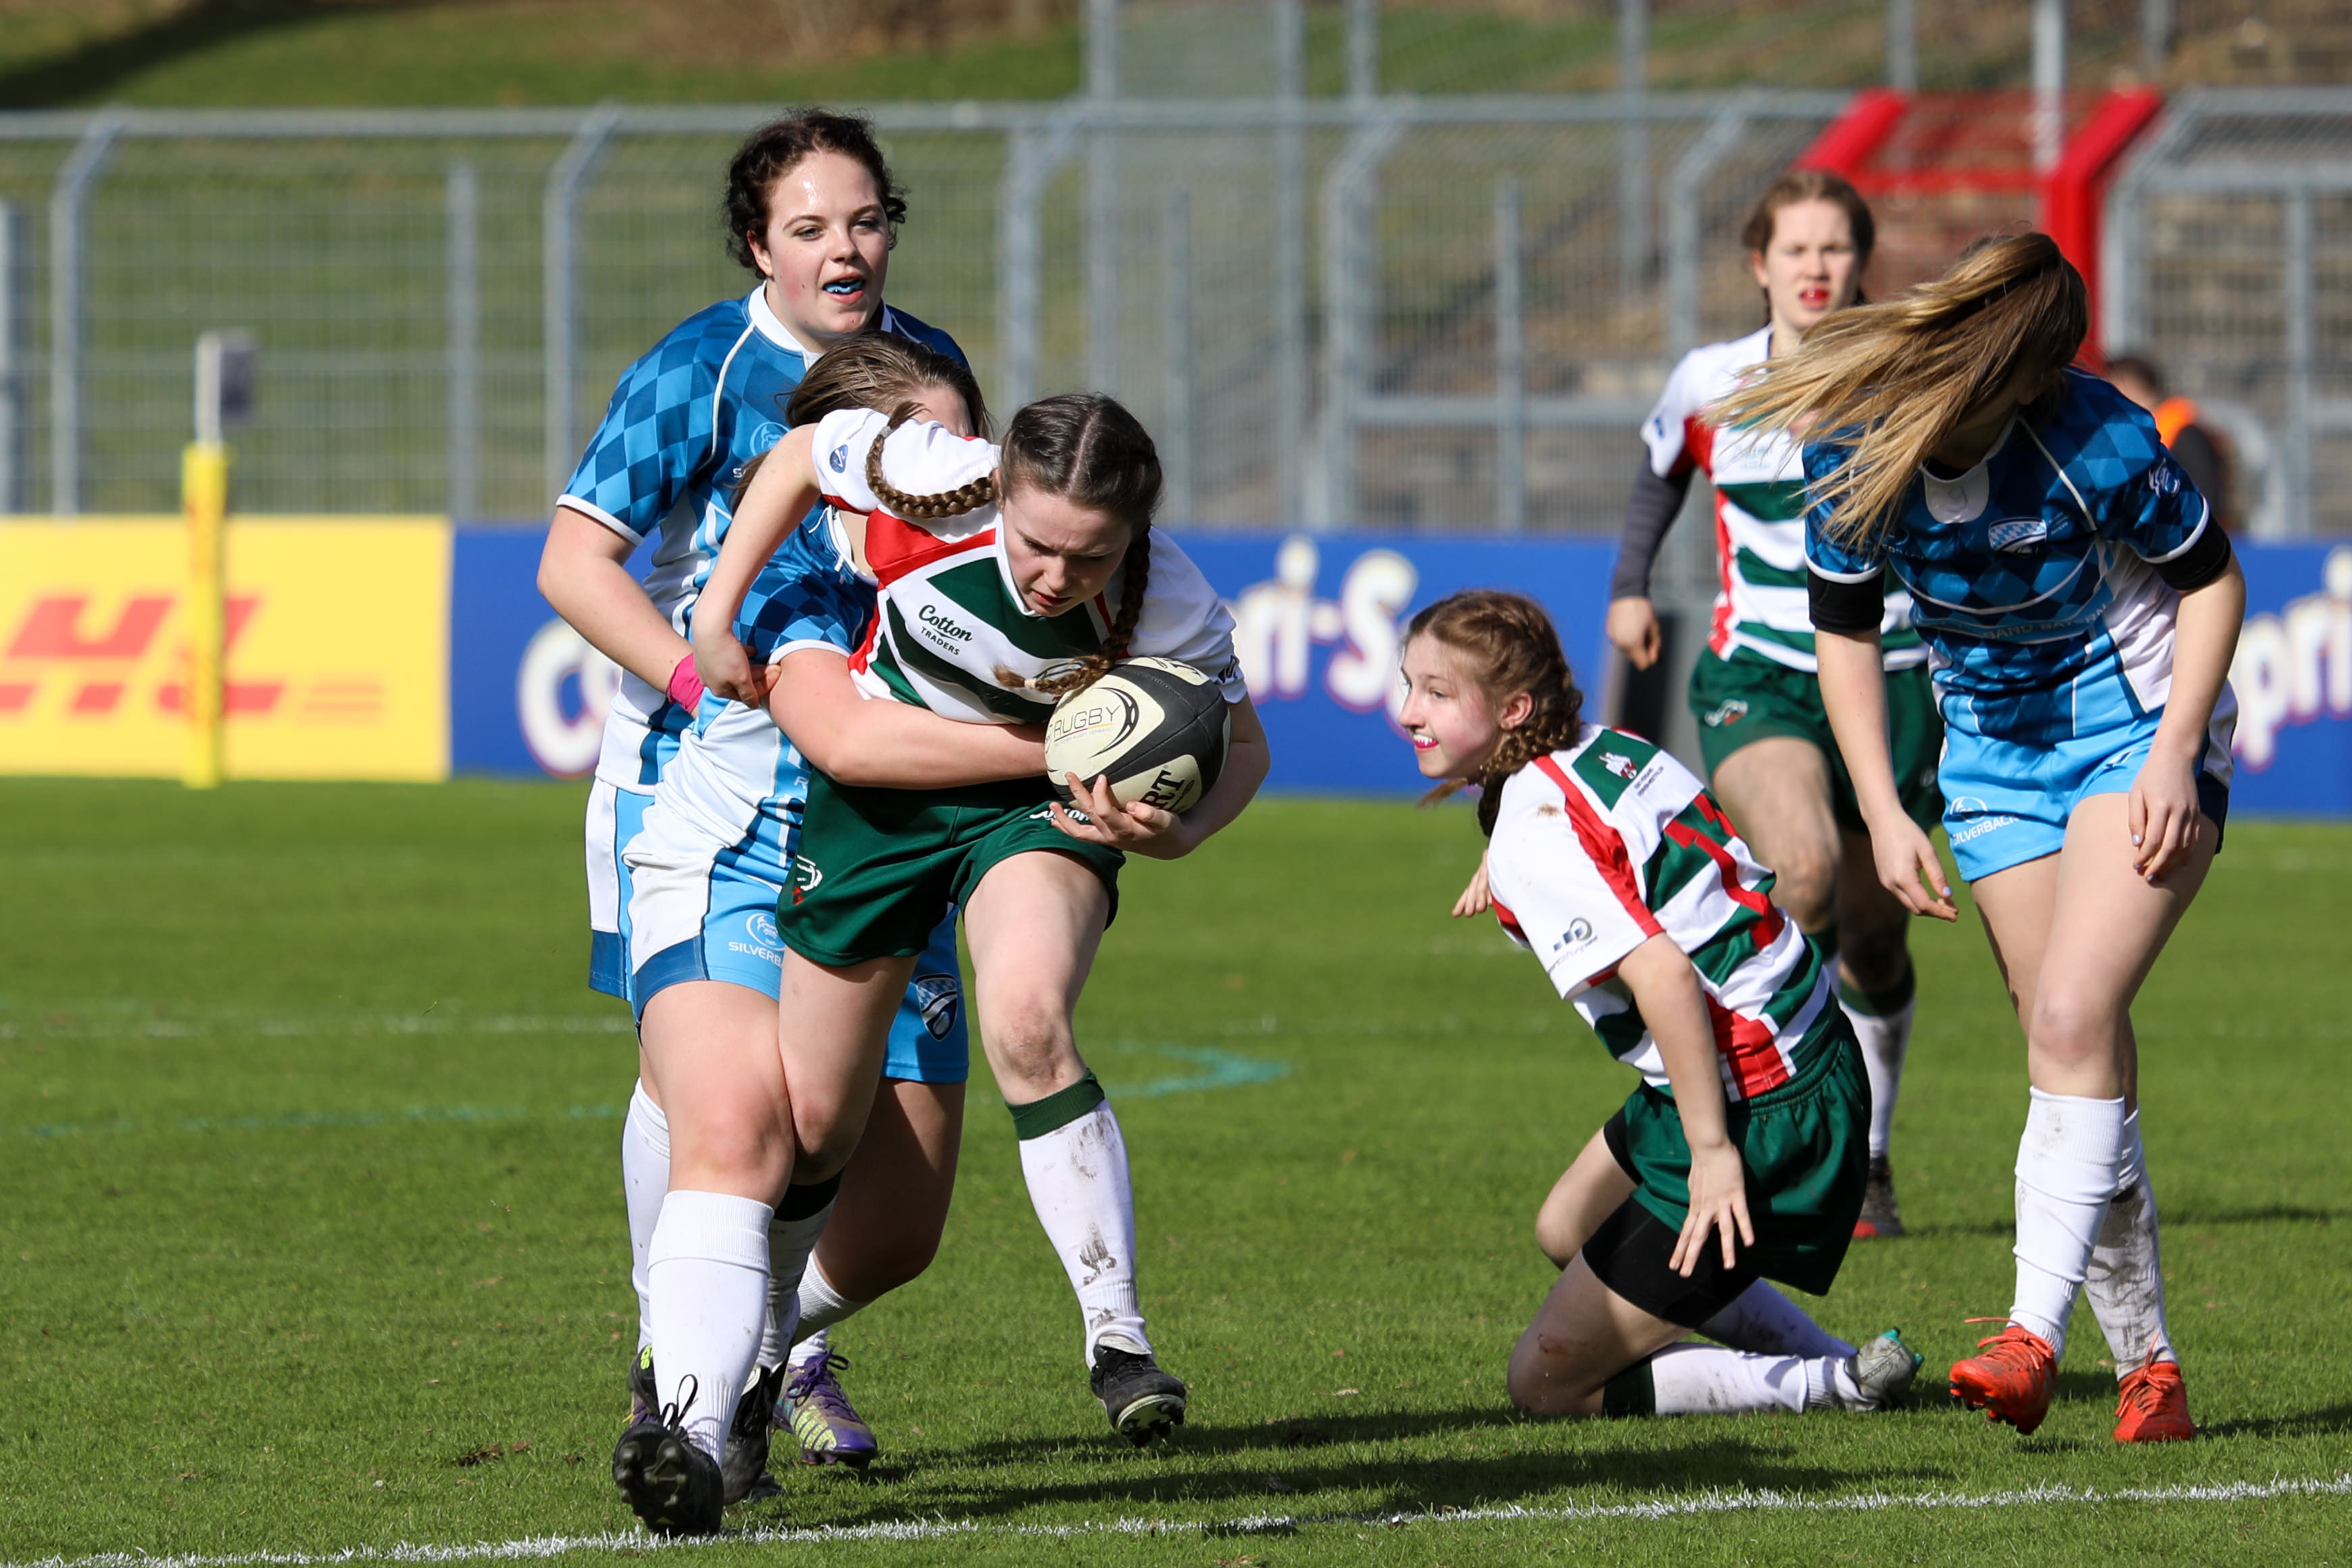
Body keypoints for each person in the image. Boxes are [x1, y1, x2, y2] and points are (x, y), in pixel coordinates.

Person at [1722, 232, 2241, 1444]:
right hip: (1994, 756)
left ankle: (2029, 1337)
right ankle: (2151, 1370)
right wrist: (1884, 806)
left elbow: (2213, 583)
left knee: (2069, 1018)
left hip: (2132, 729)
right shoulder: (1855, 442)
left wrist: (2176, 752)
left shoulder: (2095, 437)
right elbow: (1846, 629)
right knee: (2077, 1048)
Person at [532, 108, 981, 1503]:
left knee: (891, 1207)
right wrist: (692, 667)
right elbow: (573, 562)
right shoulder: (699, 372)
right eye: (809, 227)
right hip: (700, 782)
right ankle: (687, 1367)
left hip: (884, 795)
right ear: (756, 246)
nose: (844, 249)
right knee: (716, 1096)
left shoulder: (930, 370)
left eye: (865, 220)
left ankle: (746, 1335)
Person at [691, 391, 1268, 1459]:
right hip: (885, 801)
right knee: (817, 1129)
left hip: (1036, 808)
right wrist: (715, 611)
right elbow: (800, 454)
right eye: (1038, 543)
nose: (1055, 577)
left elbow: (1248, 749)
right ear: (1000, 487)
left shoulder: (1170, 601)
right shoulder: (929, 477)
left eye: (1091, 558)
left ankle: (1118, 1341)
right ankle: (755, 1357)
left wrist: (1177, 837)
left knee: (1028, 1020)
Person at [608, 339, 1019, 1529]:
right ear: (854, 460)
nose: (946, 468)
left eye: (962, 441)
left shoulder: (1006, 569)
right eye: (917, 445)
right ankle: (686, 1428)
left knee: (891, 1230)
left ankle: (742, 1345)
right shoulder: (788, 556)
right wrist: (1065, 748)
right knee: (743, 1126)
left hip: (895, 887)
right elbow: (847, 741)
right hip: (736, 868)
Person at [1399, 589, 1921, 1422]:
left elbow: (1667, 976)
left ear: (1515, 709)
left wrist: (1713, 1151)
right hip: (1801, 1041)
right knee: (1567, 1225)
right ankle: (1830, 1357)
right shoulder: (1603, 746)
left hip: (1759, 1101)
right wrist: (1503, 850)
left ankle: (1832, 1386)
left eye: (1435, 691)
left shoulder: (1534, 830)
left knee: (1545, 1385)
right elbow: (1615, 843)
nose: (1408, 711)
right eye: (1409, 685)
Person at [1606, 170, 1935, 1240]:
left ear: (1862, 261)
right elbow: (1660, 473)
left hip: (1890, 681)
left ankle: (1869, 1150)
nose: (1816, 268)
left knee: (1876, 940)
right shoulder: (1713, 378)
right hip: (1759, 677)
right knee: (1801, 872)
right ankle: (1783, 1141)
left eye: (1835, 247)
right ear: (1761, 265)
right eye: (1795, 249)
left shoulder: (1907, 371)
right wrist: (1629, 587)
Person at [2107, 354, 2233, 531]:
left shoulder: (2183, 430)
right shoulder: (2142, 432)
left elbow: (2208, 496)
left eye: (2114, 389)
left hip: (2194, 536)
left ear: (2135, 386)